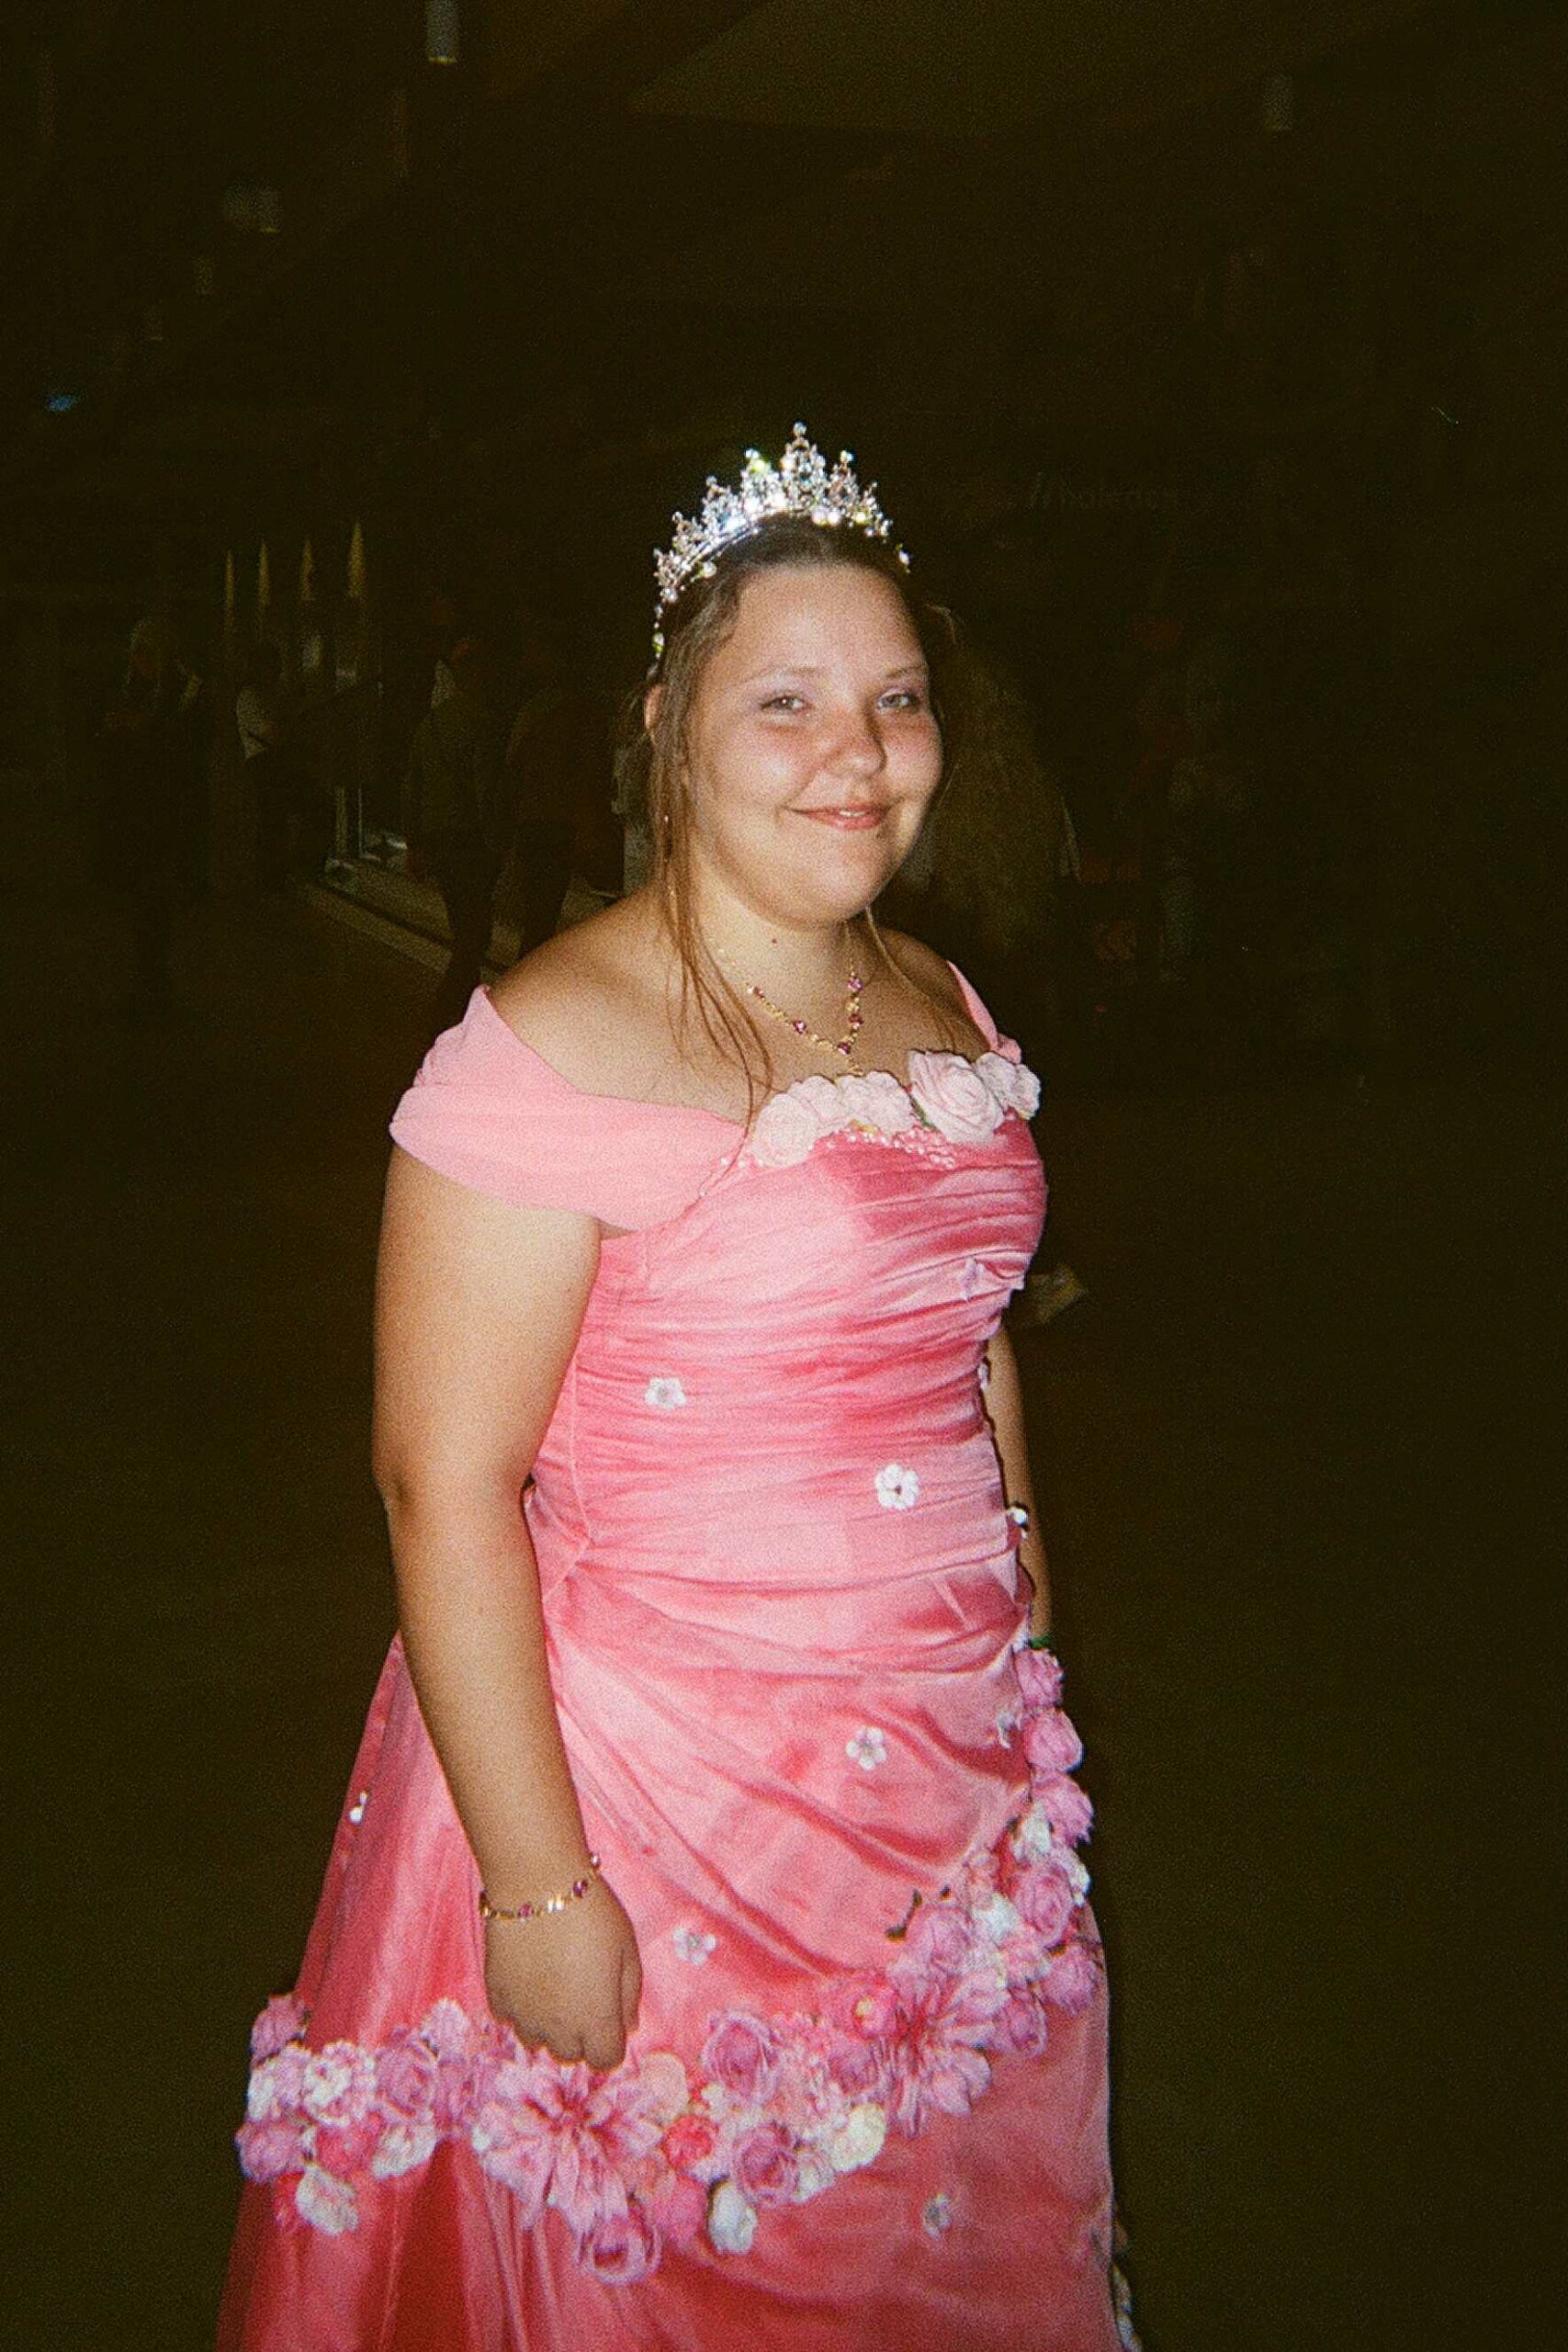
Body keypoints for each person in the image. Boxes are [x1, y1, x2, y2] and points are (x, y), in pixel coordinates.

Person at [220, 427, 1135, 2351]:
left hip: (957, 1761)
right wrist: (539, 1888)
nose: (856, 753)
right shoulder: (549, 1043)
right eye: (785, 700)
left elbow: (966, 1321)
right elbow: (440, 1479)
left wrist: (1026, 1595)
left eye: (895, 699)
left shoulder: (938, 998)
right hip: (661, 1791)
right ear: (667, 725)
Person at [96, 616, 209, 1018]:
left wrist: (143, 728)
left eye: (147, 653)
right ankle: (150, 982)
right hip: (140, 811)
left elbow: (183, 749)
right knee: (145, 904)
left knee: (154, 902)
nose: (140, 660)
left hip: (163, 813)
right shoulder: (146, 691)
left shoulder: (181, 693)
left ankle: (154, 985)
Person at [403, 639, 513, 1038]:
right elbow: (486, 792)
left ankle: (459, 1015)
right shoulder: (485, 724)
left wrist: (414, 843)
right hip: (470, 841)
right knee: (474, 934)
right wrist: (498, 844)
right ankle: (447, 1012)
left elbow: (411, 788)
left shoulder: (429, 725)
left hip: (436, 839)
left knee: (464, 930)